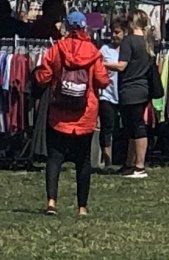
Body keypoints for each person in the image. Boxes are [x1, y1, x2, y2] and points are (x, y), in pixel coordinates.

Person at [34, 12, 109, 217]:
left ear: (67, 27)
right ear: (84, 28)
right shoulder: (94, 52)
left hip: (59, 112)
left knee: (55, 158)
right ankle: (82, 207)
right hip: (85, 112)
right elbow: (102, 81)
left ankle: (51, 202)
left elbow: (44, 76)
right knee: (83, 161)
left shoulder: (57, 49)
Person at [111, 11, 155, 178]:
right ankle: (130, 163)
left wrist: (102, 63)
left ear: (130, 23)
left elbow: (122, 66)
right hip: (143, 88)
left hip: (130, 88)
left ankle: (139, 166)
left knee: (136, 127)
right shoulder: (147, 41)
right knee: (132, 127)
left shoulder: (129, 41)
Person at [98, 20, 122, 172]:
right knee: (107, 127)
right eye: (113, 31)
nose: (114, 35)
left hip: (124, 94)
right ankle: (107, 160)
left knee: (123, 128)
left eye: (117, 32)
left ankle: (122, 158)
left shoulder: (128, 50)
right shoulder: (105, 49)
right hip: (107, 94)